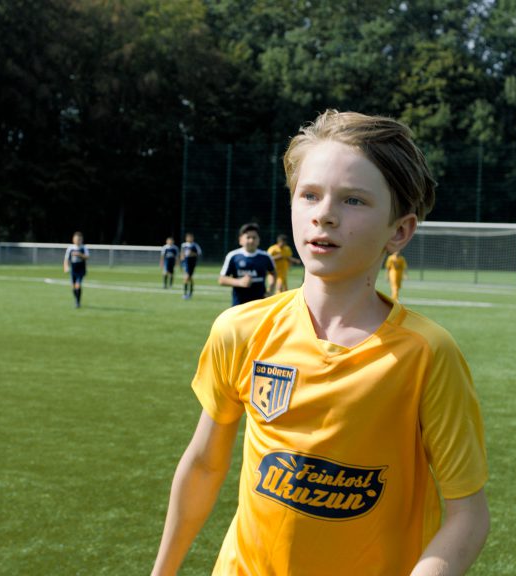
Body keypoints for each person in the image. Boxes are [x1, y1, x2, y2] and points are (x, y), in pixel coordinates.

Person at [152, 110, 489, 576]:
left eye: (353, 200)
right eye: (309, 194)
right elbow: (206, 465)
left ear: (400, 231)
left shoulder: (427, 354)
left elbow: (468, 515)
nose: (324, 214)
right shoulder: (241, 330)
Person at [219, 223, 276, 306]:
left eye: (254, 237)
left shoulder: (266, 257)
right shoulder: (233, 256)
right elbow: (222, 279)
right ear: (240, 240)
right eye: (248, 237)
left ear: (259, 240)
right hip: (239, 305)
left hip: (260, 304)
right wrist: (239, 282)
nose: (251, 240)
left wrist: (270, 290)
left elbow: (273, 273)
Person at [62, 231, 89, 308]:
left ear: (82, 240)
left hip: (81, 269)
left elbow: (87, 257)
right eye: (76, 239)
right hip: (73, 269)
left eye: (79, 239)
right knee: (73, 287)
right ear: (73, 239)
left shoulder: (84, 248)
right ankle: (77, 300)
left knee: (78, 285)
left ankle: (77, 302)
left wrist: (80, 254)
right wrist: (66, 267)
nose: (78, 241)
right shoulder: (70, 248)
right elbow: (66, 259)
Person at [180, 233, 202, 300]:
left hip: (191, 264)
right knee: (186, 278)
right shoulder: (183, 245)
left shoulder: (195, 245)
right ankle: (186, 294)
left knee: (189, 278)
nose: (189, 239)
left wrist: (192, 253)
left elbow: (199, 253)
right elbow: (182, 253)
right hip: (185, 263)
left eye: (190, 237)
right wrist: (181, 258)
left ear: (192, 238)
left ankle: (189, 293)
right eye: (188, 237)